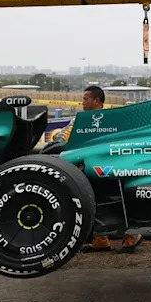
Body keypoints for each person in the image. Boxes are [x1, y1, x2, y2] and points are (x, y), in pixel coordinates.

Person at [54, 85, 143, 254]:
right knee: (94, 200)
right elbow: (65, 134)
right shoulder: (80, 119)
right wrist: (57, 141)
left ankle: (132, 236)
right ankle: (100, 240)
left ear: (97, 100)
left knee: (117, 200)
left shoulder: (113, 118)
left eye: (85, 99)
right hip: (89, 167)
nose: (82, 102)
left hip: (112, 167)